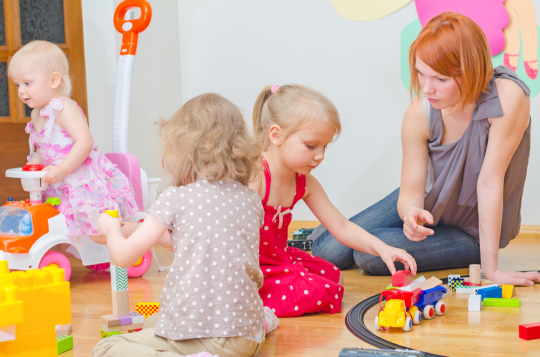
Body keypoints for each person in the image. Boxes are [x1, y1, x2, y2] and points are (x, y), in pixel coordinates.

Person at [311, 12, 540, 286]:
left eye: (440, 79)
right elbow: (409, 192)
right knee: (326, 251)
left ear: (472, 70)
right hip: (431, 203)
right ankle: (309, 236)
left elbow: (490, 182)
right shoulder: (419, 112)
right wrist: (410, 213)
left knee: (368, 255)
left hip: (471, 231)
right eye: (421, 73)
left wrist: (491, 271)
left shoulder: (507, 98)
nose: (427, 88)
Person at [92, 93, 278, 357]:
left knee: (107, 347)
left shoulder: (176, 197)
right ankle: (263, 322)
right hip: (247, 336)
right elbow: (195, 244)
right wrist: (133, 230)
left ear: (187, 144)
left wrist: (111, 228)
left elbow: (121, 256)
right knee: (152, 322)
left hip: (209, 338)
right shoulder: (250, 199)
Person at [250, 84, 417, 317]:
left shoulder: (304, 182)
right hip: (250, 266)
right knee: (318, 292)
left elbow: (341, 226)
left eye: (324, 146)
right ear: (276, 135)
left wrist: (383, 249)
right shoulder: (255, 176)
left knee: (333, 277)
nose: (320, 156)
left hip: (280, 259)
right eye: (311, 146)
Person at [8, 40, 138, 238]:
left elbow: (85, 142)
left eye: (27, 83)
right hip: (59, 184)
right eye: (18, 84)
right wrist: (33, 166)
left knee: (98, 228)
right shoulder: (36, 114)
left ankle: (146, 234)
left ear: (53, 80)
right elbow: (44, 148)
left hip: (81, 180)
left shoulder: (64, 108)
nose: (21, 91)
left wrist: (62, 169)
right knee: (59, 225)